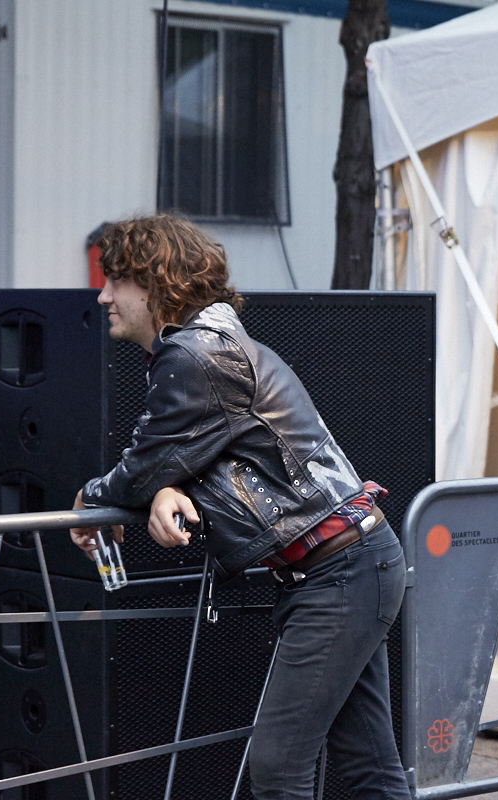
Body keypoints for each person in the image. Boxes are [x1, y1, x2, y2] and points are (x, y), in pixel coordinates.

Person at [67, 215, 409, 800]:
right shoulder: (210, 344)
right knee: (367, 767)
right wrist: (162, 485)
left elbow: (148, 463)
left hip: (338, 572)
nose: (102, 295)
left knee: (278, 767)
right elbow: (184, 457)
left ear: (156, 283)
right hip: (350, 565)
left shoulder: (197, 355)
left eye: (116, 280)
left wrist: (92, 498)